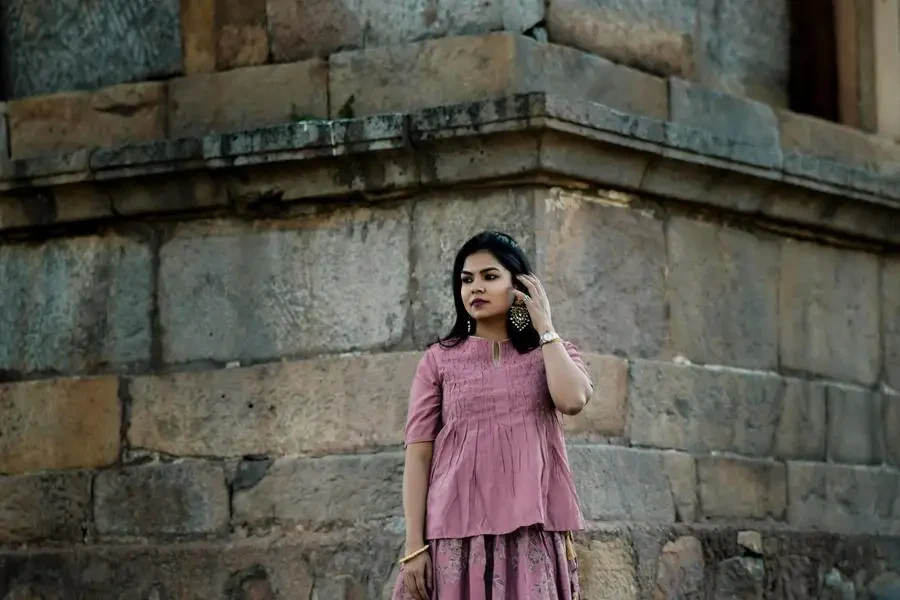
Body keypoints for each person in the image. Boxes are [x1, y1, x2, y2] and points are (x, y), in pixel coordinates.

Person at [392, 231, 594, 600]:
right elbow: (418, 456)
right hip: (454, 536)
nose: (475, 288)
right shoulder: (439, 361)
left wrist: (545, 327)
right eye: (466, 280)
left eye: (489, 276)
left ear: (518, 284)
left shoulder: (550, 354)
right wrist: (413, 546)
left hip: (530, 533)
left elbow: (573, 400)